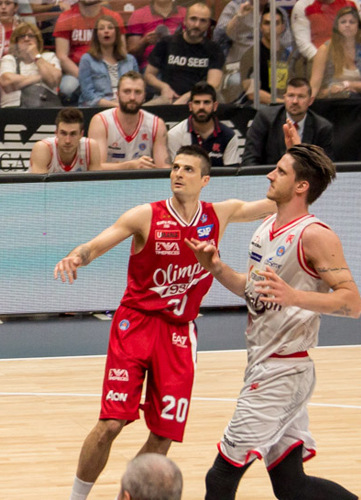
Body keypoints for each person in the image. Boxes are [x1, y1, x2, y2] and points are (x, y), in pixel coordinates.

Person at [55, 145, 277, 500]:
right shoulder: (146, 215)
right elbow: (96, 245)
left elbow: (277, 203)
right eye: (175, 167)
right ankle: (76, 498)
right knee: (111, 423)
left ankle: (127, 496)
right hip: (136, 324)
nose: (178, 173)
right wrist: (76, 256)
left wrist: (299, 168)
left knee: (164, 432)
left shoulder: (220, 214)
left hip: (179, 332)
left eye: (188, 169)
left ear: (205, 180)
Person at [195, 144, 360, 500]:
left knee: (220, 476)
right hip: (262, 362)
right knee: (292, 486)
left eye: (281, 171)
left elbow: (352, 302)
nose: (270, 174)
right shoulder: (267, 226)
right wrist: (217, 267)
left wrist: (295, 296)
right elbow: (253, 290)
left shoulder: (316, 235)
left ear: (301, 186)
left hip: (283, 371)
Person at [242, 78, 335, 165]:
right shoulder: (265, 118)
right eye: (291, 96)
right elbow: (250, 159)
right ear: (285, 98)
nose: (295, 101)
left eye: (301, 96)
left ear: (310, 101)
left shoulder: (322, 127)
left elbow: (325, 167)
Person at [88, 71, 169, 169]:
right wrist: (130, 165)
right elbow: (96, 168)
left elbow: (163, 167)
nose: (132, 97)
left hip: (143, 182)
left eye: (138, 92)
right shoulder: (100, 121)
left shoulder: (156, 124)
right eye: (127, 91)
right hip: (109, 182)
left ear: (144, 96)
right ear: (117, 94)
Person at [145, 3, 224, 104]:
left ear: (208, 24)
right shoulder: (166, 43)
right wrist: (164, 87)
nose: (197, 25)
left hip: (199, 100)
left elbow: (213, 84)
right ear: (185, 20)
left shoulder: (214, 48)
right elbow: (149, 75)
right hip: (167, 98)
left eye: (202, 21)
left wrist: (188, 96)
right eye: (193, 19)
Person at [166, 81, 241, 165]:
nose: (201, 107)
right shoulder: (175, 134)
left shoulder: (228, 136)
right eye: (197, 102)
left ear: (215, 106)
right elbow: (176, 172)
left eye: (206, 102)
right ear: (190, 106)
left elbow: (231, 175)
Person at [127, 0, 185, 68]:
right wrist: (144, 42)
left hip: (179, 67)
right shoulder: (138, 15)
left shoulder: (185, 14)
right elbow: (131, 55)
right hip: (149, 67)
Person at [78, 14, 139, 107]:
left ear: (116, 33)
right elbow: (88, 94)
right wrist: (113, 105)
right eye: (101, 28)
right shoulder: (87, 59)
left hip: (127, 104)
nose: (106, 31)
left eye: (110, 28)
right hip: (98, 107)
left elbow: (137, 88)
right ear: (96, 35)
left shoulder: (130, 60)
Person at [0, 22, 62, 108]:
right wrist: (40, 77)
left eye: (31, 36)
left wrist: (36, 56)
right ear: (16, 42)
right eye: (22, 36)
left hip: (44, 107)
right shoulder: (9, 59)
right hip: (13, 109)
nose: (26, 39)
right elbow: (7, 82)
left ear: (37, 41)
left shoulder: (48, 57)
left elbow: (54, 80)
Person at [311, 6, 361, 97]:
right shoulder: (325, 49)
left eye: (352, 22)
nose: (347, 25)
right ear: (337, 26)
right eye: (343, 22)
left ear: (358, 26)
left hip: (359, 102)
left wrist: (347, 84)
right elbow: (314, 86)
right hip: (332, 101)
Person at [29, 107, 101, 173]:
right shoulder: (43, 148)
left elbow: (96, 184)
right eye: (63, 133)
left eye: (73, 134)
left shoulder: (91, 147)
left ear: (81, 134)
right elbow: (39, 185)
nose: (67, 141)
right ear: (56, 133)